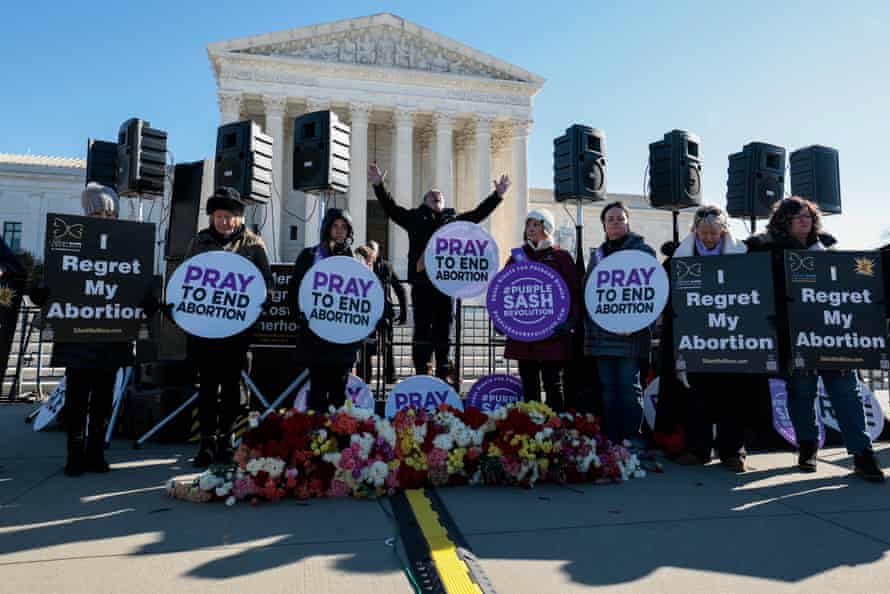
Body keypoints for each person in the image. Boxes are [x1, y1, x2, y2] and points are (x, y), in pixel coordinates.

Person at [746, 197, 884, 482]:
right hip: (795, 336)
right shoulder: (766, 252)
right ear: (784, 220)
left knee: (847, 393)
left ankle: (863, 455)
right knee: (801, 393)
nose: (803, 220)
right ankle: (807, 446)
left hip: (834, 337)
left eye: (807, 215)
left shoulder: (829, 251)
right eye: (796, 216)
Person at [368, 164, 511, 381]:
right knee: (422, 330)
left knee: (445, 330)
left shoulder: (453, 221)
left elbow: (478, 214)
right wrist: (379, 185)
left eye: (441, 196)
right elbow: (391, 209)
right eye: (433, 196)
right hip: (423, 283)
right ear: (425, 201)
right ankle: (422, 372)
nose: (438, 197)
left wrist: (497, 195)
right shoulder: (415, 218)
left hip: (447, 285)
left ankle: (444, 370)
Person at [33, 183, 134, 476]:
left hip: (112, 338)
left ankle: (96, 452)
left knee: (103, 400)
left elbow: (134, 281)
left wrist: (146, 302)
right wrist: (40, 292)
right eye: (99, 212)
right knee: (77, 399)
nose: (105, 218)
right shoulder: (68, 241)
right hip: (77, 337)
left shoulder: (126, 245)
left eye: (110, 214)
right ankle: (75, 454)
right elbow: (48, 278)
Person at [656, 205, 758, 471]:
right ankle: (697, 448)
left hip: (731, 337)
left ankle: (733, 451)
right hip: (694, 340)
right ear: (695, 231)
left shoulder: (742, 257)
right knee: (695, 396)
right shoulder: (678, 261)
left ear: (724, 231)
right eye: (704, 233)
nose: (709, 238)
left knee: (733, 395)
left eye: (714, 232)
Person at [186, 187, 271, 468]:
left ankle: (227, 440)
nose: (224, 222)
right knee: (208, 388)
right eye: (219, 216)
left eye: (229, 217)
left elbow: (265, 283)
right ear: (212, 217)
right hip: (206, 333)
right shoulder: (199, 242)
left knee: (234, 389)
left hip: (238, 333)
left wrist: (263, 302)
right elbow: (186, 281)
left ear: (238, 217)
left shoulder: (253, 244)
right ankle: (206, 443)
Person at [583, 201, 656, 449]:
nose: (615, 222)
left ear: (627, 222)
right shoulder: (598, 255)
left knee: (629, 388)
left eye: (620, 218)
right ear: (604, 225)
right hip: (602, 334)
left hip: (630, 335)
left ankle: (633, 437)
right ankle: (613, 439)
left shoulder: (643, 251)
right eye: (610, 219)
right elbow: (589, 291)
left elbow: (651, 292)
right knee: (609, 390)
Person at [503, 208, 580, 412]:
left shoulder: (561, 257)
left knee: (553, 383)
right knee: (529, 385)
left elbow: (574, 291)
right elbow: (503, 289)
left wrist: (570, 321)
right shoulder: (517, 257)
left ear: (547, 227)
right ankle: (532, 429)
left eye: (536, 224)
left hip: (553, 334)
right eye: (528, 225)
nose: (531, 229)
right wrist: (499, 319)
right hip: (524, 335)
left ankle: (556, 428)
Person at [289, 208, 362, 411]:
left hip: (343, 340)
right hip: (316, 338)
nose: (339, 231)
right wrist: (298, 316)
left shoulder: (356, 260)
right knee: (318, 392)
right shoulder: (310, 256)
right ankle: (317, 438)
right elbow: (295, 290)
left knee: (339, 393)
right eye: (335, 226)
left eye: (344, 227)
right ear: (327, 228)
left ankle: (337, 439)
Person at [363, 240, 407, 384]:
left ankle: (390, 377)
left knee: (387, 346)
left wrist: (404, 310)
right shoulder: (360, 266)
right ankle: (365, 377)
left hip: (384, 312)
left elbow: (399, 288)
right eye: (368, 248)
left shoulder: (386, 266)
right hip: (366, 314)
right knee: (366, 347)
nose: (370, 251)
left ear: (378, 252)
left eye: (372, 249)